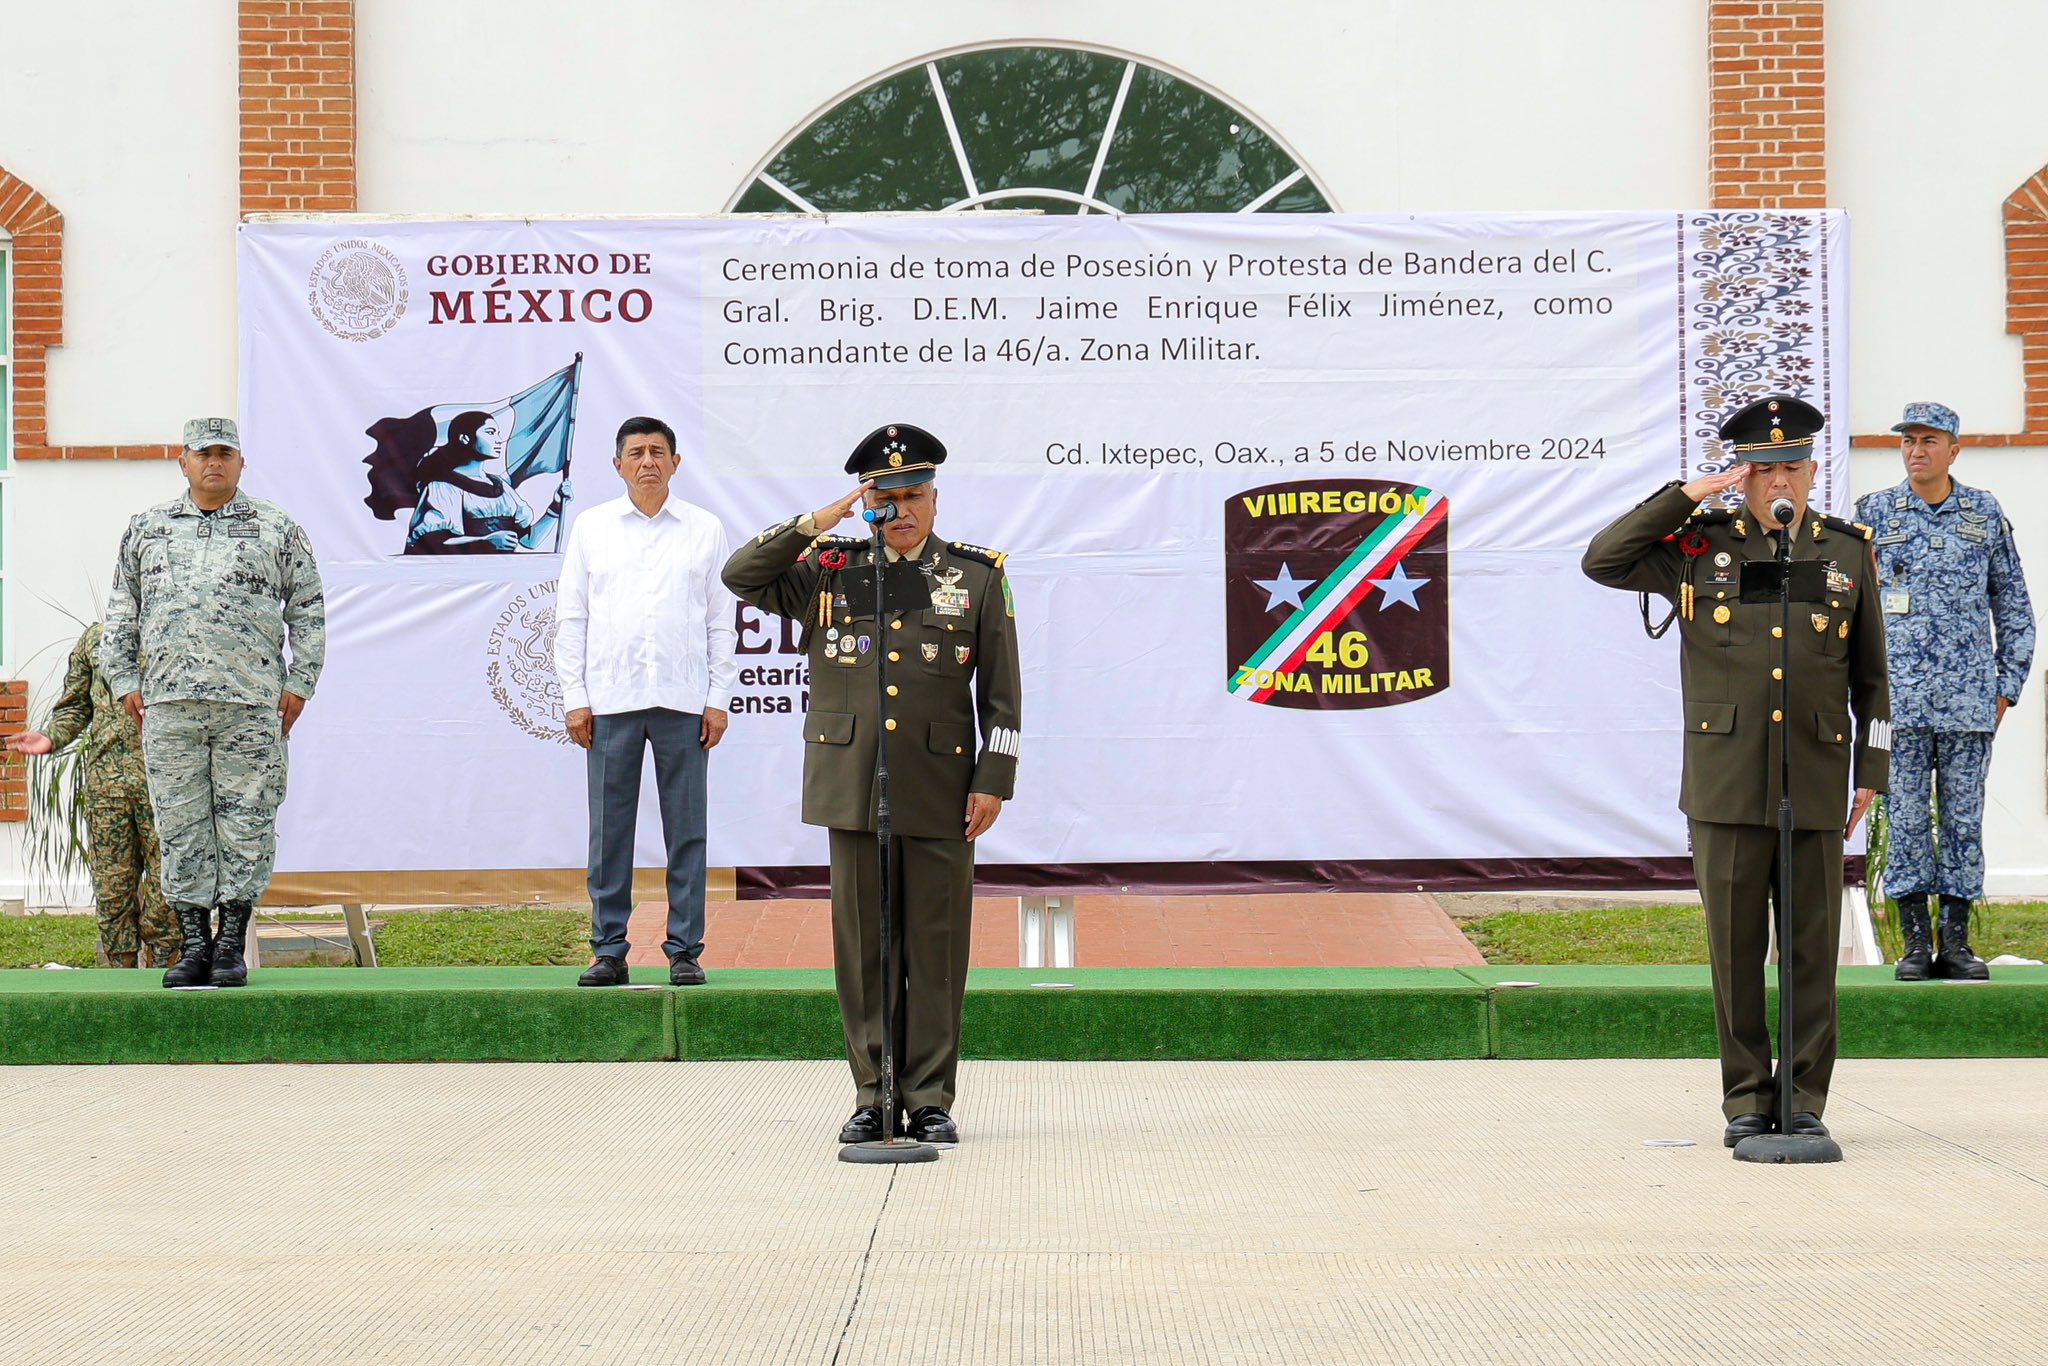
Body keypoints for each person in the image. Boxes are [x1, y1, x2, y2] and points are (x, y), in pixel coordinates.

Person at [1583, 395, 1890, 1149]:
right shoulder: (1697, 547)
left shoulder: (1846, 551)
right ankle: (1748, 1097)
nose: (1778, 482)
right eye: (1761, 470)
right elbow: (1604, 559)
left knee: (1814, 952)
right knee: (1735, 950)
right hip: (1724, 781)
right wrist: (1688, 495)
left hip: (1815, 779)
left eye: (1791, 468)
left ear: (1814, 471)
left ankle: (1806, 1097)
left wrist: (1870, 770)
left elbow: (1873, 678)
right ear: (1740, 476)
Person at [723, 423, 1022, 1146]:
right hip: (854, 782)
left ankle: (928, 1098)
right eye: (886, 497)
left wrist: (995, 777)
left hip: (943, 782)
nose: (902, 510)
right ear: (867, 501)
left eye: (914, 495)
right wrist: (818, 521)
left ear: (936, 500)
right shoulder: (830, 566)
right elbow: (742, 574)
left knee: (936, 946)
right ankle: (871, 1093)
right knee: (863, 949)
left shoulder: (976, 575)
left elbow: (1004, 693)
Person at [100, 417, 326, 988]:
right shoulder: (148, 528)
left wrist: (301, 683)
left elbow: (308, 609)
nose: (214, 463)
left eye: (225, 453)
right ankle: (193, 942)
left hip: (249, 704)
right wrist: (125, 678)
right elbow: (122, 608)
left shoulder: (275, 528)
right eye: (203, 454)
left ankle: (231, 944)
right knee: (180, 824)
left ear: (241, 463)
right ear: (184, 462)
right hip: (169, 703)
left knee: (246, 822)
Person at [1854, 403, 2035, 981]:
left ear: (1954, 449)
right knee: (1906, 817)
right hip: (1898, 704)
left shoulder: (1983, 513)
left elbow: (2013, 605)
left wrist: (2006, 687)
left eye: (1928, 440)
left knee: (1962, 820)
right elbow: (1850, 607)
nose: (1916, 451)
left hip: (1968, 703)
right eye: (1907, 441)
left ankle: (1955, 943)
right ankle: (1913, 944)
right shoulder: (1874, 514)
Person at [555, 416, 737, 987]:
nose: (648, 462)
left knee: (687, 829)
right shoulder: (591, 527)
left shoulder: (704, 529)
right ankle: (609, 949)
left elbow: (719, 623)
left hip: (685, 702)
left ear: (676, 463)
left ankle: (685, 948)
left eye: (659, 452)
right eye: (636, 453)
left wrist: (718, 698)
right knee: (610, 831)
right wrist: (575, 698)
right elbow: (571, 618)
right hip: (610, 701)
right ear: (618, 465)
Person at [6, 622, 177, 967]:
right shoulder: (98, 638)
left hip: (167, 785)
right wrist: (51, 736)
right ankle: (119, 978)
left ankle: (164, 971)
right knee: (113, 891)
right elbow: (75, 706)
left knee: (168, 887)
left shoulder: (179, 629)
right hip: (107, 788)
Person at [404, 410, 568, 553]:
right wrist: (484, 542)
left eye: (498, 433)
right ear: (464, 438)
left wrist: (556, 507)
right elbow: (428, 545)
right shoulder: (443, 488)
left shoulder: (501, 486)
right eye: (490, 433)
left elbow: (529, 541)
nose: (499, 440)